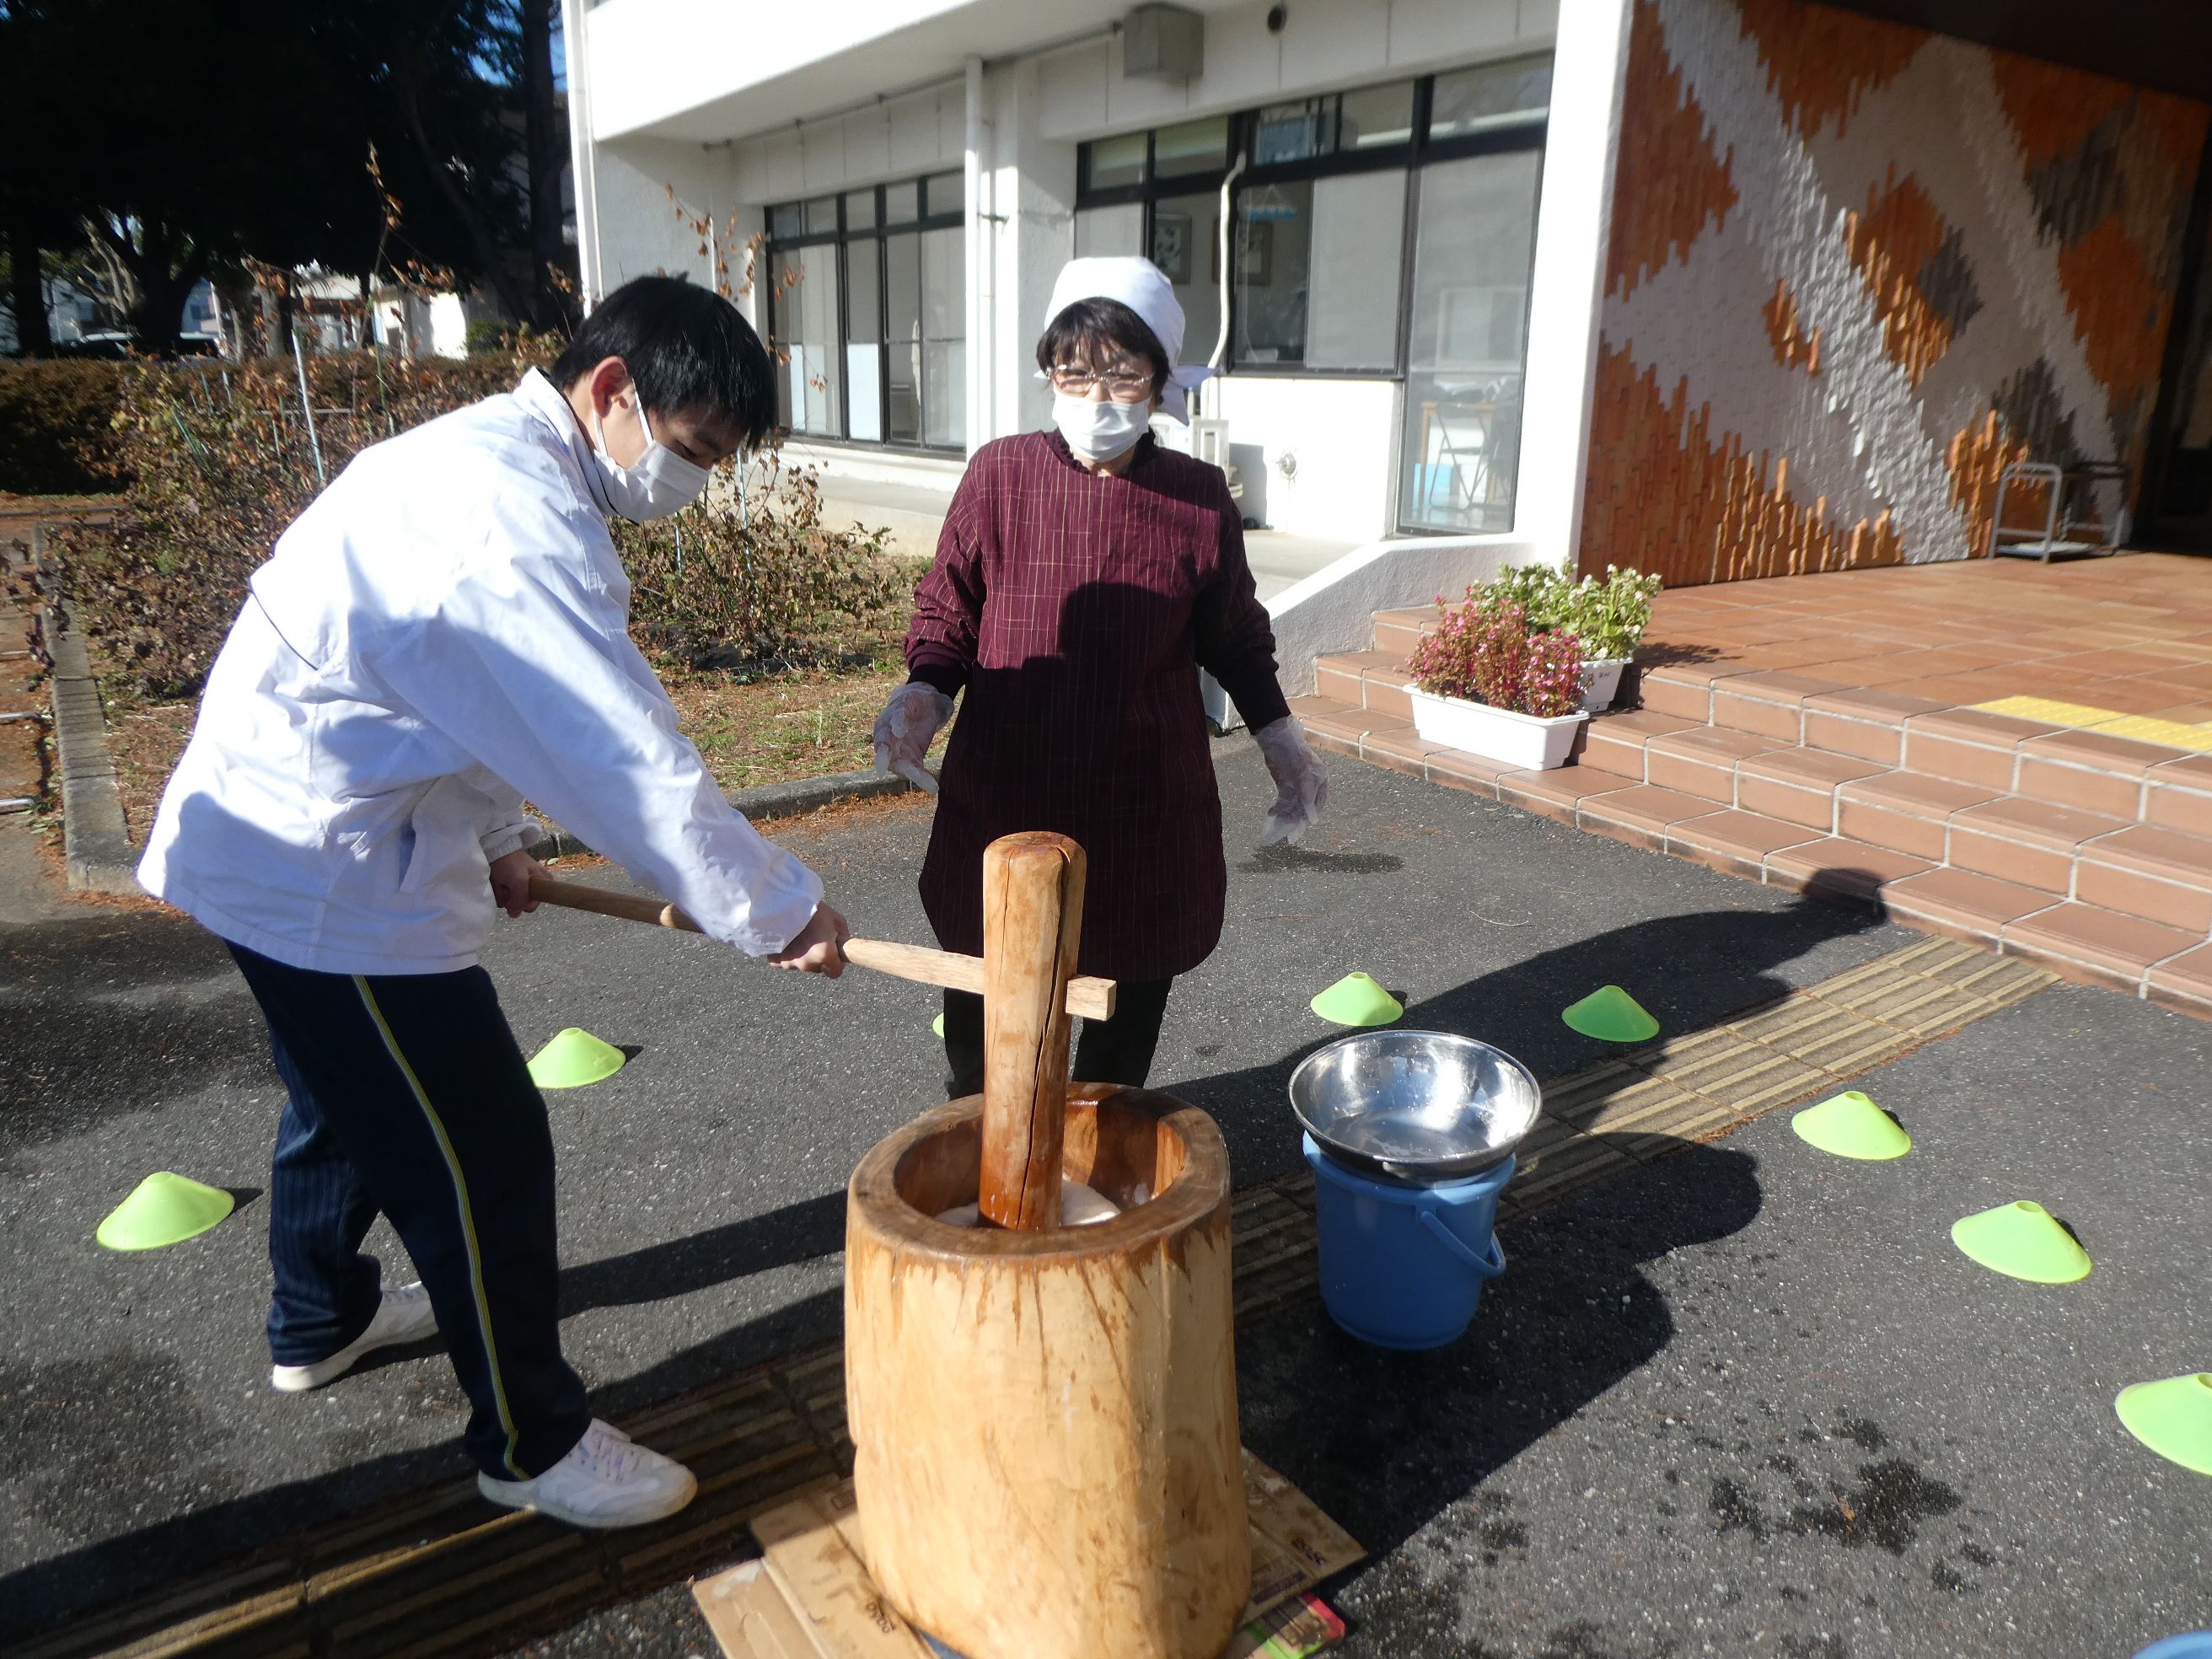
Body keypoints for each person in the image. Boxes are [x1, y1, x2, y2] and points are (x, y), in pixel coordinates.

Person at [137, 276, 850, 1531]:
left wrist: (504, 839)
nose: (690, 486)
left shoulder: (494, 468)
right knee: (482, 1149)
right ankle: (531, 1442)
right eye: (691, 452)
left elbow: (457, 696)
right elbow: (615, 750)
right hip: (325, 866)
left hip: (299, 834)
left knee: (342, 1096)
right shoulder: (504, 517)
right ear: (615, 389)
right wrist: (776, 906)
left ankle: (321, 1317)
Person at [872, 256, 1328, 1097]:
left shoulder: (1196, 497)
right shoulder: (998, 475)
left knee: (1117, 1032)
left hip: (1141, 805)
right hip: (1004, 793)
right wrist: (923, 692)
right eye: (1072, 371)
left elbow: (1231, 634)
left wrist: (1278, 736)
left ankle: (1098, 1162)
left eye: (1121, 373)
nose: (1096, 396)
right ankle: (986, 1161)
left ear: (1160, 383)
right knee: (986, 1030)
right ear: (1048, 372)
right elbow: (949, 605)